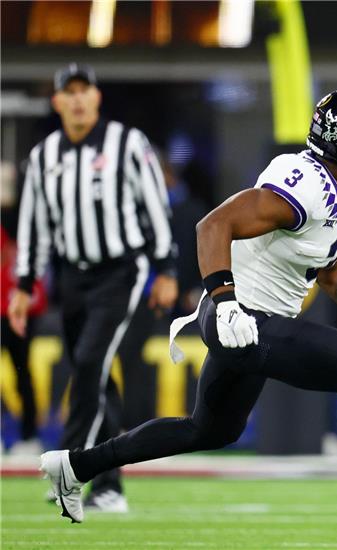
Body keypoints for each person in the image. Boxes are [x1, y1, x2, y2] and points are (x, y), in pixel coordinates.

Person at [37, 88, 337, 549]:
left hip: (252, 319)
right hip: (238, 315)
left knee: (210, 428)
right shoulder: (303, 187)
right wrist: (225, 299)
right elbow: (212, 225)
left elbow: (333, 273)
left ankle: (74, 466)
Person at [9, 63, 179, 511]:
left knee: (87, 364)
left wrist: (166, 269)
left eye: (86, 91)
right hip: (73, 277)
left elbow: (155, 206)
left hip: (122, 271)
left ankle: (69, 468)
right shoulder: (45, 155)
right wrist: (24, 285)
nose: (79, 99)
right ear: (58, 101)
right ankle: (108, 484)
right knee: (96, 376)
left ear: (97, 98)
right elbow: (35, 226)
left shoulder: (127, 143)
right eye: (71, 92)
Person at [1, 226, 48, 454]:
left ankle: (29, 436)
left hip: (21, 313)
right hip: (12, 310)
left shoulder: (27, 235)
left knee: (22, 373)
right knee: (23, 374)